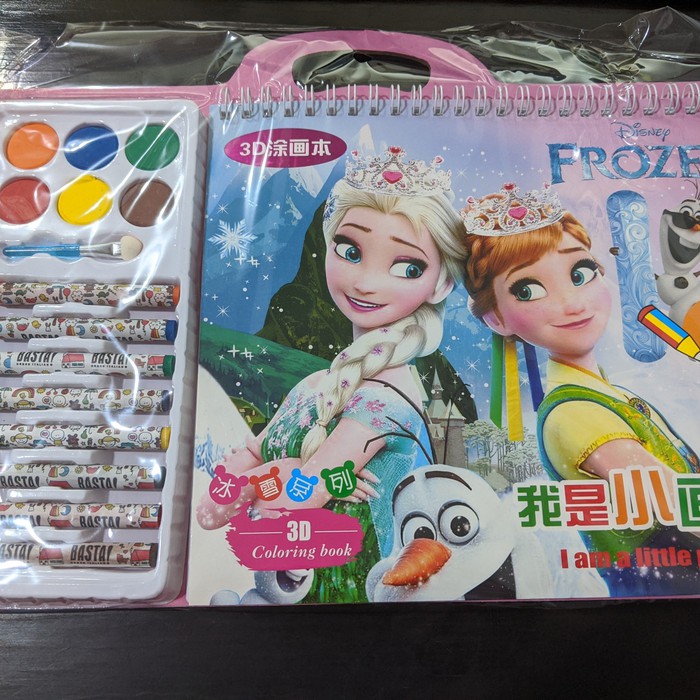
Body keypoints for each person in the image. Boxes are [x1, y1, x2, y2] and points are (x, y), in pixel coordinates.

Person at [196, 146, 466, 602]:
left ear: (440, 283)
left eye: (407, 267)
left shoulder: (386, 399)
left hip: (359, 595)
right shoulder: (314, 387)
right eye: (350, 250)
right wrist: (288, 473)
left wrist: (271, 473)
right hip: (299, 590)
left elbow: (282, 510)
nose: (365, 282)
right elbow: (209, 512)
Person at [460, 182, 700, 596]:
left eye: (580, 273)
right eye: (528, 290)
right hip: (665, 594)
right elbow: (676, 503)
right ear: (497, 319)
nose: (572, 303)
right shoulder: (574, 412)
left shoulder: (604, 393)